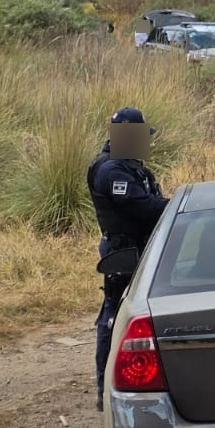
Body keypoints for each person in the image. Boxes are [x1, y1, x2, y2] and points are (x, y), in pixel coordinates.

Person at [86, 107, 168, 411]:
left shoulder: (135, 168)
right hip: (123, 253)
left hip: (142, 248)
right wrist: (178, 208)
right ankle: (104, 389)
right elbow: (145, 208)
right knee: (113, 317)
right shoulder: (111, 171)